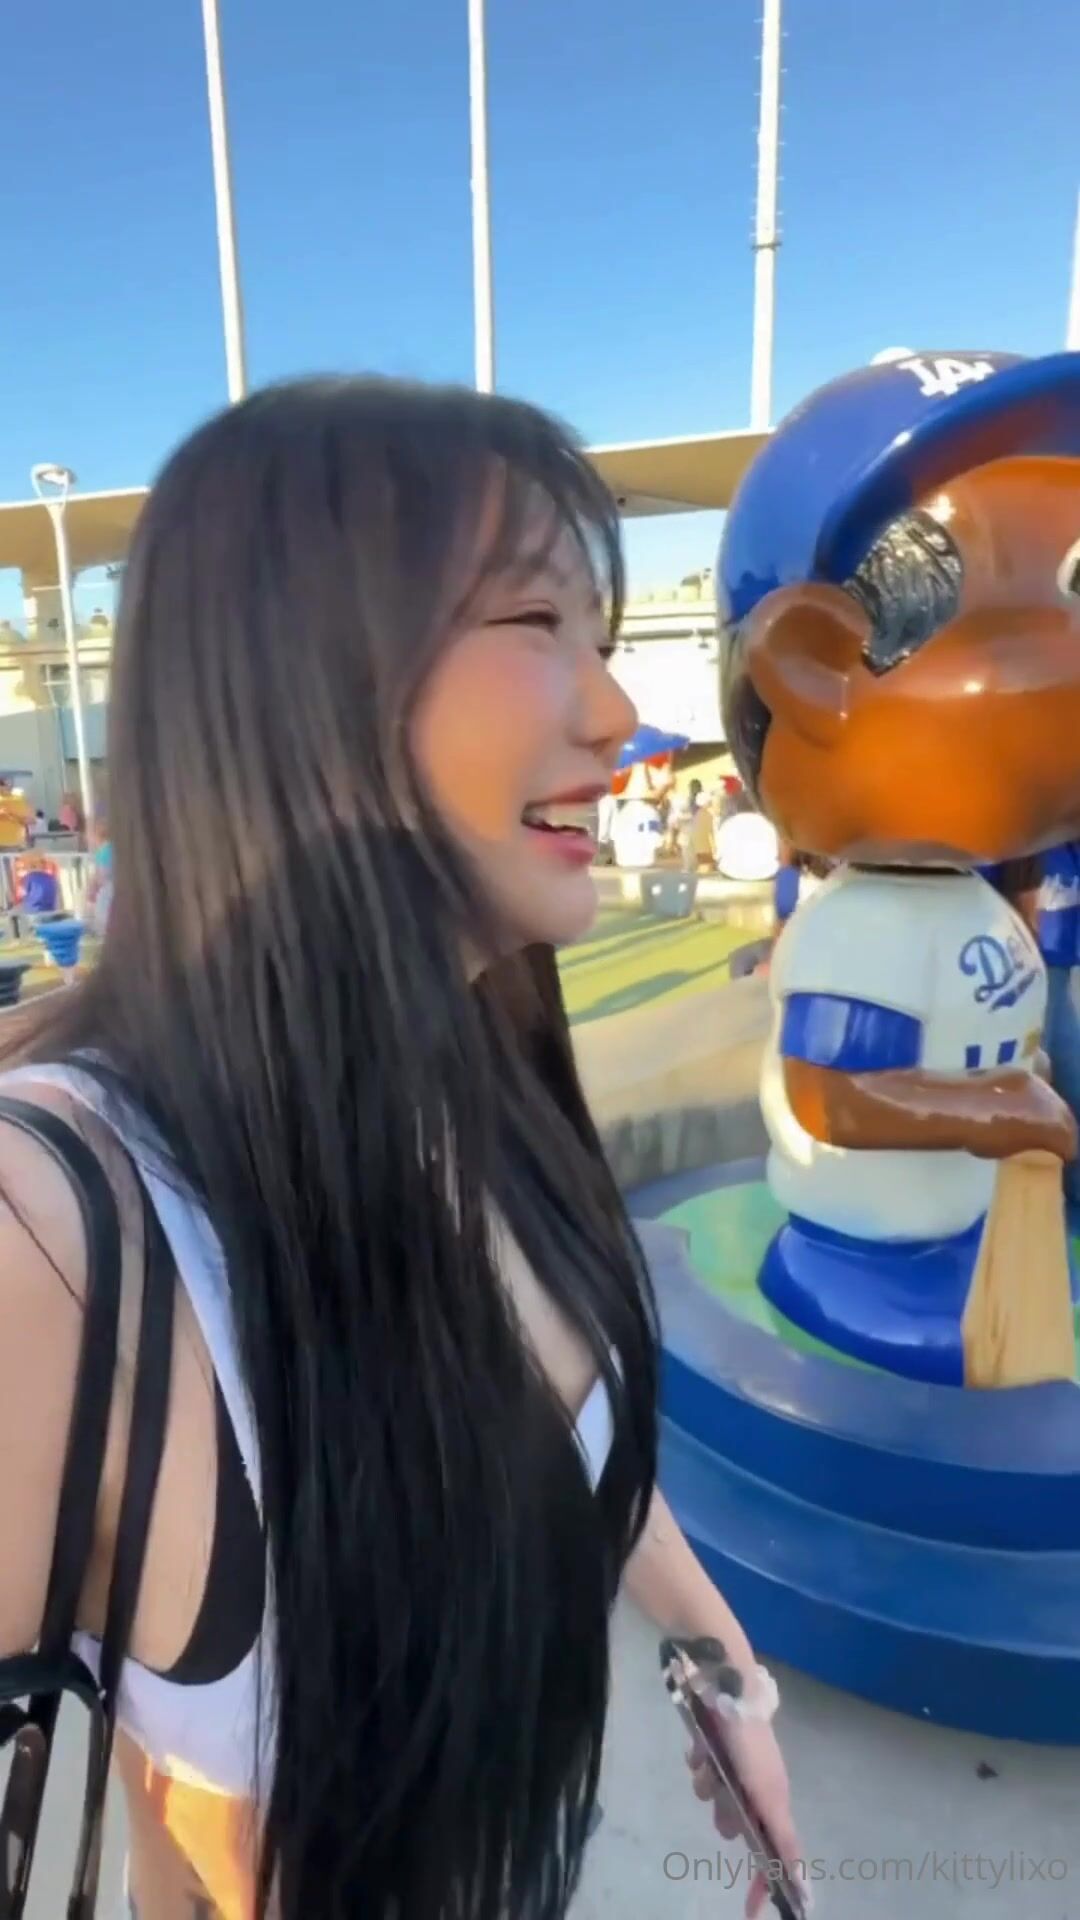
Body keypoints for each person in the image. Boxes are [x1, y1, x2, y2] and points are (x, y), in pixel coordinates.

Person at [0, 378, 796, 1920]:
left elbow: (557, 1430)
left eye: (600, 634)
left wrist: (720, 1666)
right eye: (535, 621)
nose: (616, 714)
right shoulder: (56, 1231)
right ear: (300, 680)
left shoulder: (484, 1072)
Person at [717, 347, 1080, 1383]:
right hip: (864, 1248)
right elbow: (833, 1097)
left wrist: (1019, 1092)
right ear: (816, 666)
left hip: (969, 1223)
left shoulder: (980, 903)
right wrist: (996, 1110)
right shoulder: (862, 932)